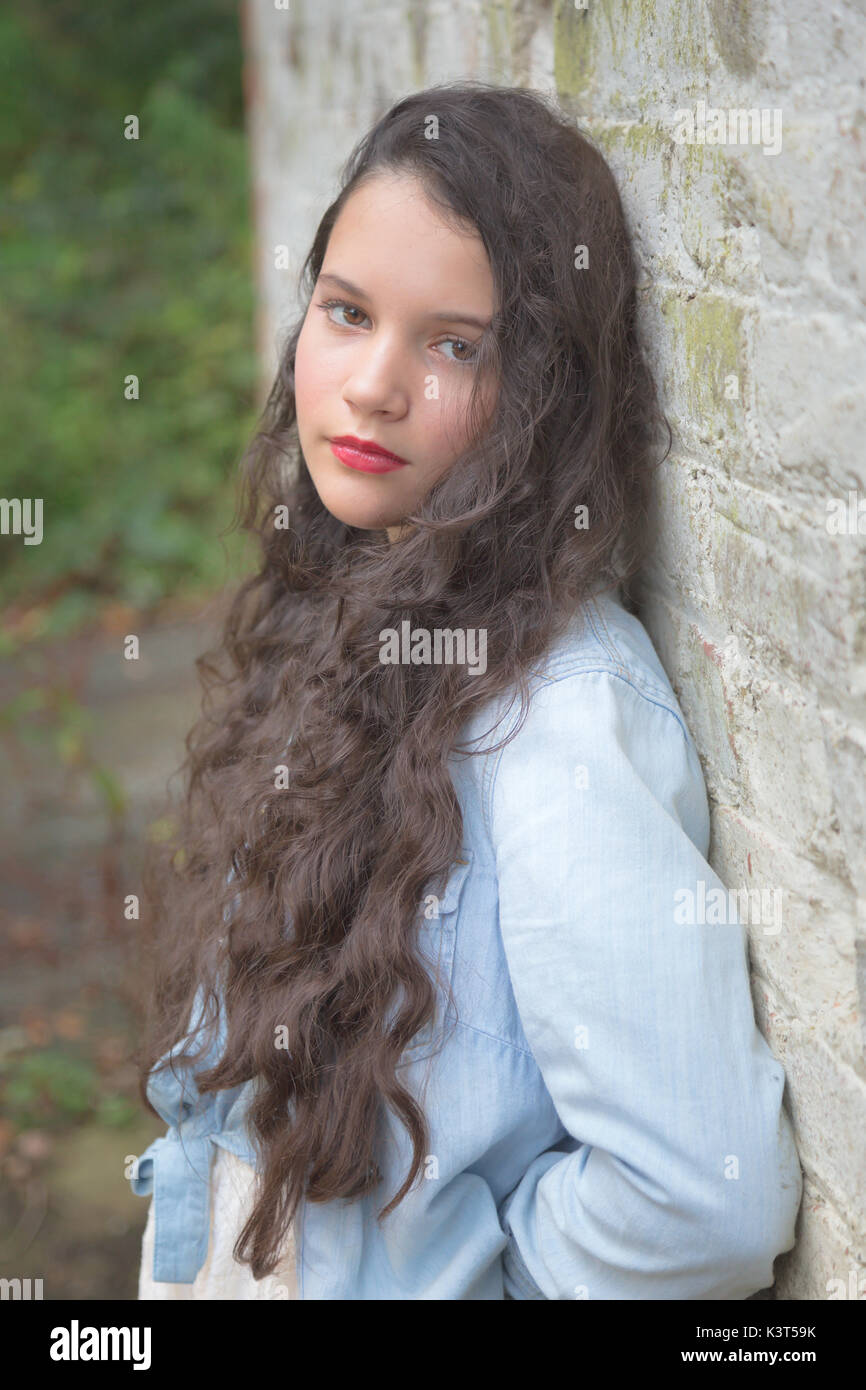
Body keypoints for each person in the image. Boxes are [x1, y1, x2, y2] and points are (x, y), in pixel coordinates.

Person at [131, 80, 802, 1300]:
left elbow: (700, 1200)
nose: (371, 384)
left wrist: (459, 1279)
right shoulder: (349, 601)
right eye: (345, 313)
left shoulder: (552, 716)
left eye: (451, 344)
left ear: (539, 396)